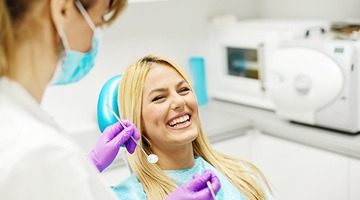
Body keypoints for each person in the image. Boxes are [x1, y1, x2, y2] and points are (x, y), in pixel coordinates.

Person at [0, 0, 220, 199]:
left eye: (183, 90)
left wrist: (89, 164)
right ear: (64, 8)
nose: (97, 33)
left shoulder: (18, 124)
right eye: (101, 17)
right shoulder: (37, 151)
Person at [112, 54, 275, 200]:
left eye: (183, 90)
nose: (179, 102)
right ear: (136, 121)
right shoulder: (124, 196)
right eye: (159, 98)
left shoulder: (241, 176)